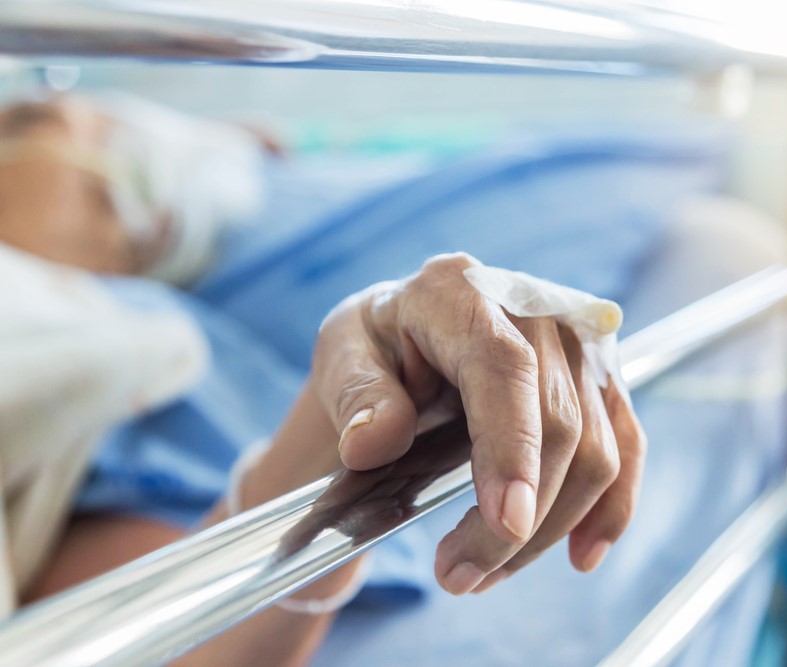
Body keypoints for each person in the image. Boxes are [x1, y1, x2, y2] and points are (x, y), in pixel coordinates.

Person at [0, 95, 647, 665]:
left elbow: (166, 641)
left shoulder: (140, 342)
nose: (19, 135)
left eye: (34, 121)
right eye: (22, 114)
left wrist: (365, 386)